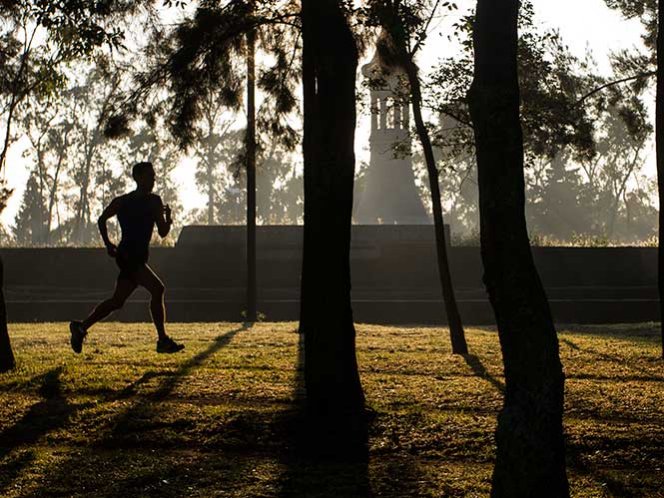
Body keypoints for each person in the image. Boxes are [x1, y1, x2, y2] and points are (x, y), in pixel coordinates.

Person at [69, 161, 184, 354]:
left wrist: (169, 219)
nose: (153, 179)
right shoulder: (124, 201)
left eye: (154, 176)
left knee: (117, 301)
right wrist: (108, 244)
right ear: (138, 178)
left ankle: (80, 328)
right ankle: (162, 340)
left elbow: (163, 232)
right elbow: (101, 219)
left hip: (136, 256)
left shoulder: (153, 201)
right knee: (158, 289)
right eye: (149, 176)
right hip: (128, 256)